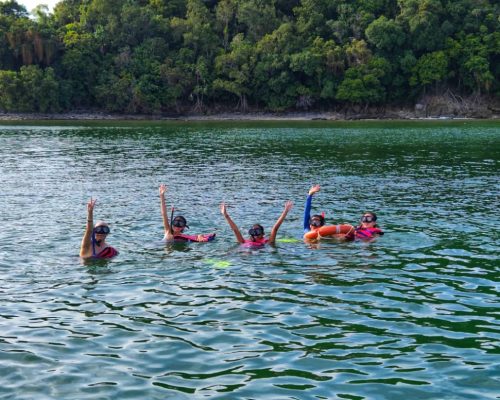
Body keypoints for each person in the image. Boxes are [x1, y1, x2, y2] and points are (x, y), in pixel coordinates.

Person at [220, 200, 293, 247]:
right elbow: (235, 230)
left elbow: (275, 229)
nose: (255, 235)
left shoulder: (267, 242)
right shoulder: (243, 241)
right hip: (243, 256)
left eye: (257, 232)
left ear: (262, 234)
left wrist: (285, 212)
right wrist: (226, 215)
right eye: (253, 232)